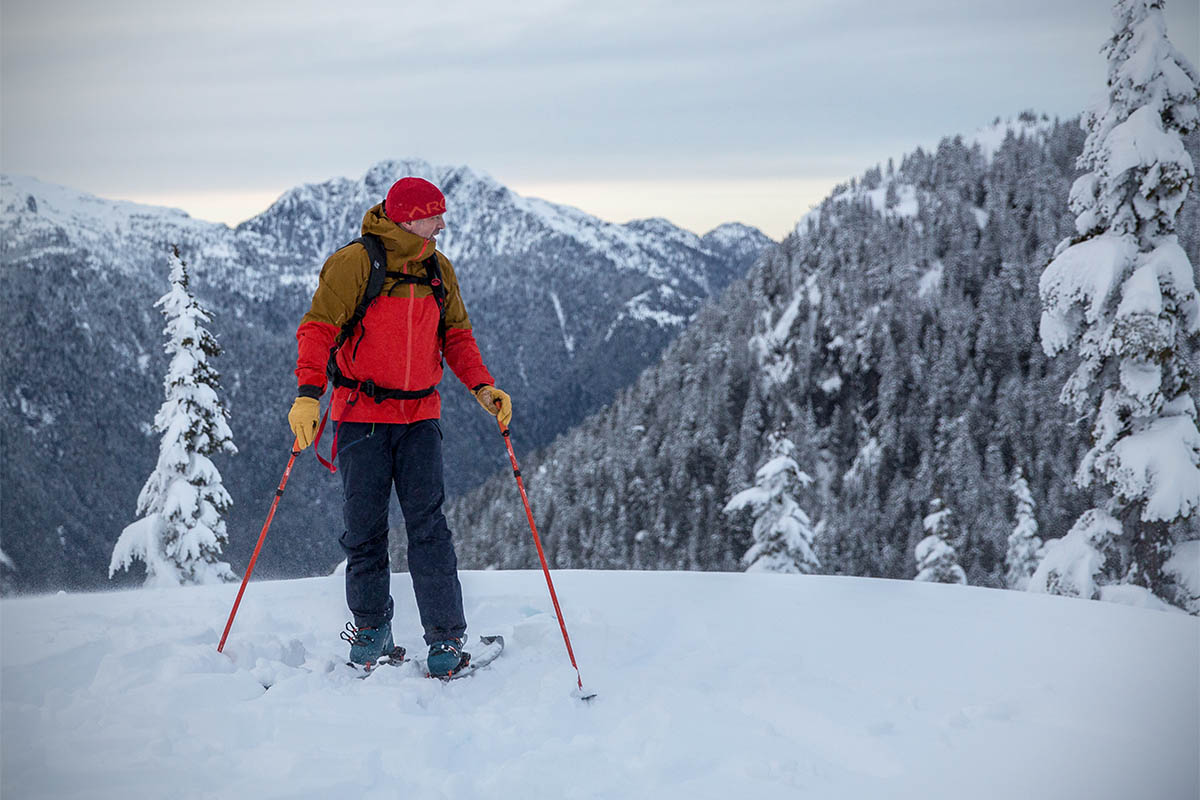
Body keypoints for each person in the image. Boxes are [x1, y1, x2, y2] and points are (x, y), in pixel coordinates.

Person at [286, 177, 511, 676]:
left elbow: (457, 337)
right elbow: (317, 329)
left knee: (428, 528)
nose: (443, 223)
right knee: (364, 530)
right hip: (361, 416)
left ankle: (446, 639)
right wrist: (308, 395)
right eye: (435, 215)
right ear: (408, 217)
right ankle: (371, 631)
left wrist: (482, 387)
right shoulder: (354, 264)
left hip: (419, 418)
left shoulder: (437, 268)